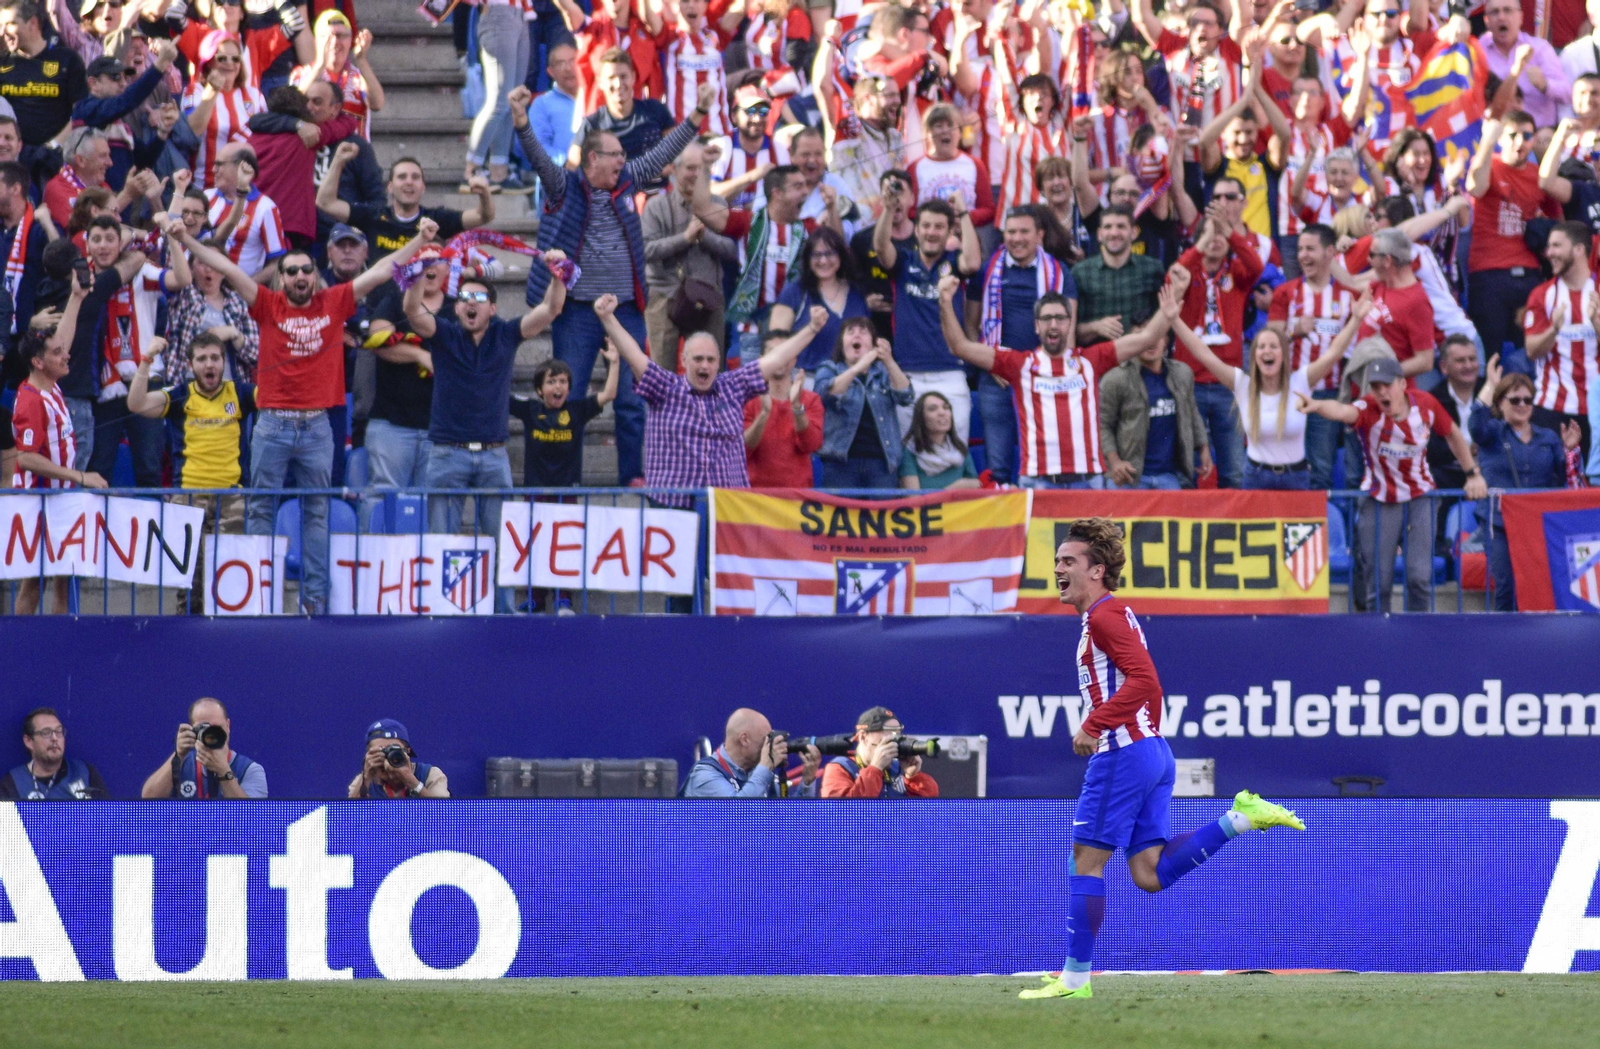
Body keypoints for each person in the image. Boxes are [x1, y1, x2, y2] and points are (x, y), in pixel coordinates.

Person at [1019, 518, 1303, 1002]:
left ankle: (1074, 979)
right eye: (1058, 560)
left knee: (1085, 864)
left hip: (1124, 755)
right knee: (1149, 874)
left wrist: (1096, 724)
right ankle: (1241, 818)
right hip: (1151, 751)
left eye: (1069, 561)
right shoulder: (1114, 614)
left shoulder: (1105, 618)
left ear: (1098, 570)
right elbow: (1147, 689)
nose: (1058, 568)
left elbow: (1145, 682)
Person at [177, 220, 434, 615]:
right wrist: (184, 239)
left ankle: (314, 603)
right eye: (291, 270)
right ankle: (260, 599)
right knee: (261, 508)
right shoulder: (266, 303)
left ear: (316, 275)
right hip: (273, 425)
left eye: (306, 270)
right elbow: (227, 268)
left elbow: (383, 270)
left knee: (318, 513)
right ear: (281, 279)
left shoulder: (335, 301)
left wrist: (421, 239)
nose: (299, 275)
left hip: (317, 427)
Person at [514, 79, 714, 486]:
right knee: (567, 398)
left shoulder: (627, 182)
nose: (625, 160)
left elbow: (664, 152)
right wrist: (521, 123)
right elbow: (536, 157)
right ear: (591, 159)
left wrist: (696, 117)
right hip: (577, 313)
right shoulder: (563, 186)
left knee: (632, 401)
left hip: (625, 311)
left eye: (625, 155)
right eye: (616, 154)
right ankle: (563, 479)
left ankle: (633, 476)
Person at [942, 273, 1171, 488]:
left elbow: (1148, 337)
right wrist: (945, 301)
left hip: (1087, 483)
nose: (1053, 324)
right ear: (1036, 325)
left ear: (1070, 324)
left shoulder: (1092, 360)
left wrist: (1171, 305)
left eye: (1060, 318)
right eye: (1047, 318)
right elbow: (959, 347)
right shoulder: (1019, 364)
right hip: (1039, 482)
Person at [1298, 357, 1489, 613]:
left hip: (1421, 496)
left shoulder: (1426, 405)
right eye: (1376, 387)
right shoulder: (1367, 408)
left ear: (1402, 384)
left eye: (1387, 385)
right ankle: (1379, 641)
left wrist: (1472, 473)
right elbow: (1343, 411)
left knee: (1419, 577)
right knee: (1379, 582)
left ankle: (1419, 637)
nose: (1381, 392)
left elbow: (1452, 433)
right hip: (1379, 498)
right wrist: (1317, 405)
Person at [402, 259, 569, 542]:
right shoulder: (444, 334)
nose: (471, 303)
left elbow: (551, 309)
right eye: (465, 297)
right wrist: (419, 272)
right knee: (440, 545)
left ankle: (501, 591)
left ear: (492, 308)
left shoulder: (505, 334)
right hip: (447, 453)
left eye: (479, 298)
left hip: (493, 455)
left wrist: (558, 276)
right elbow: (411, 310)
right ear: (456, 307)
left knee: (502, 549)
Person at [595, 293, 822, 499]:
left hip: (726, 508)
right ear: (684, 361)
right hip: (672, 508)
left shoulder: (733, 386)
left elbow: (777, 358)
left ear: (718, 363)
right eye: (698, 359)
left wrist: (812, 328)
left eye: (711, 360)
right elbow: (633, 354)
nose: (705, 365)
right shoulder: (664, 387)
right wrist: (607, 318)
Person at [1163, 277, 1347, 490]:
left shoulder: (1301, 381)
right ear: (1254, 355)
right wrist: (1174, 320)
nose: (1267, 351)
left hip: (1296, 478)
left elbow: (1334, 353)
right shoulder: (1243, 384)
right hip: (1256, 478)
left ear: (1284, 355)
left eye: (1273, 346)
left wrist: (1358, 318)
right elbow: (1205, 355)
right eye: (1261, 347)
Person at [127, 331, 251, 613]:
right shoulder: (180, 394)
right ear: (191, 365)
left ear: (223, 362)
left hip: (231, 501)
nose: (209, 365)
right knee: (189, 590)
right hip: (187, 501)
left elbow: (276, 396)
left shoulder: (240, 393)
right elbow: (135, 405)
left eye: (215, 358)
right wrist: (146, 361)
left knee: (228, 588)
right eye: (202, 359)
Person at [966, 206, 1074, 484]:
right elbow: (970, 325)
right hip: (996, 377)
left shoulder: (1060, 272)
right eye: (1011, 232)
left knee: (1046, 464)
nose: (1017, 238)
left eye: (1024, 231)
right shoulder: (987, 269)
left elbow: (1067, 332)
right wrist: (990, 362)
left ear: (1039, 235)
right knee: (998, 467)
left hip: (1043, 378)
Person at [1470, 356, 1587, 611]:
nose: (1522, 405)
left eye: (1527, 400)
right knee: (1506, 585)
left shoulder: (1548, 437)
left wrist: (1569, 451)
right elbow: (1475, 425)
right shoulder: (1492, 433)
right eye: (1514, 400)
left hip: (1537, 523)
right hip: (1499, 523)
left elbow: (1564, 478)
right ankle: (1502, 642)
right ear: (1500, 404)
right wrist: (1490, 385)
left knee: (1538, 585)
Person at [86, 214, 191, 490]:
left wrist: (170, 234)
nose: (104, 246)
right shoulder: (83, 280)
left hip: (146, 381)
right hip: (105, 385)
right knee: (99, 468)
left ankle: (152, 530)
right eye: (96, 239)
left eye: (111, 239)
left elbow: (182, 278)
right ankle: (95, 531)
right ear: (87, 245)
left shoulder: (142, 272)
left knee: (149, 467)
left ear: (121, 243)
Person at [874, 186, 981, 442]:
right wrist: (888, 209)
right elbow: (880, 247)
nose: (932, 232)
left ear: (948, 231)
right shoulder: (903, 261)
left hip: (951, 372)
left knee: (956, 452)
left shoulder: (955, 262)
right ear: (917, 229)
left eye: (939, 227)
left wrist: (964, 213)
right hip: (907, 373)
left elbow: (974, 262)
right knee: (908, 455)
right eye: (926, 226)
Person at [1171, 213, 1263, 487]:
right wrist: (1200, 244)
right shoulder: (1186, 275)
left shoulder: (1237, 273)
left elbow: (1256, 266)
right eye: (1209, 235)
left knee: (1234, 470)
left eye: (1220, 235)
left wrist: (1232, 233)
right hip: (1190, 384)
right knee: (1188, 469)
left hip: (1228, 386)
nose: (1215, 240)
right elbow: (1174, 275)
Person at [1267, 223, 1356, 489]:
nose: (1303, 255)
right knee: (1281, 467)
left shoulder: (1348, 297)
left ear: (1330, 252)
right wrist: (1294, 331)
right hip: (1288, 393)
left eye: (1310, 249)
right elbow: (1270, 343)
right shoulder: (1286, 292)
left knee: (1321, 471)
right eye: (1300, 249)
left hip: (1327, 395)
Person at [1466, 112, 1556, 374]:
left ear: (1534, 139)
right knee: (1490, 355)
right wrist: (1486, 140)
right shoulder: (1488, 163)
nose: (1520, 142)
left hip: (1529, 276)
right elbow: (1475, 188)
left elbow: (1557, 220)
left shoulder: (1538, 175)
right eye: (1513, 135)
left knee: (1532, 356)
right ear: (1501, 138)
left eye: (1527, 136)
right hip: (1489, 275)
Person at [642, 142, 737, 362]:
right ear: (675, 170)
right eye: (690, 168)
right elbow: (646, 250)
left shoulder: (718, 204)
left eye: (702, 169)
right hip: (664, 294)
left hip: (707, 296)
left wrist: (705, 237)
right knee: (662, 374)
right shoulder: (655, 206)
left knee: (710, 371)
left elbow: (732, 251)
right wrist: (684, 239)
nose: (696, 175)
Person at [319, 148, 492, 256]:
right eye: (402, 177)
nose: (409, 182)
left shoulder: (435, 219)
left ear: (423, 187)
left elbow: (482, 216)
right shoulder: (373, 216)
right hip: (379, 310)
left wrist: (484, 194)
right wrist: (338, 162)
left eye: (415, 177)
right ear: (390, 187)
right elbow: (325, 203)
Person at [1098, 323, 1208, 491]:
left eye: (1156, 334)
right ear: (1130, 341)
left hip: (1170, 476)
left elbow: (1192, 413)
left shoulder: (1182, 373)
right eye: (1142, 336)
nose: (1150, 342)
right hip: (1129, 477)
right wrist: (1115, 463)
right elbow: (1102, 425)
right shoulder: (1115, 379)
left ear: (1166, 340)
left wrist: (1204, 449)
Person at [1523, 221, 1598, 465]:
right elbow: (1532, 350)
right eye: (1548, 246)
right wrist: (1553, 329)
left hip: (1596, 411)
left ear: (1578, 249)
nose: (1549, 253)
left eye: (1556, 245)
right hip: (1552, 411)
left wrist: (1597, 325)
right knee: (1554, 488)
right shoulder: (1542, 295)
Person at [813, 320, 913, 488]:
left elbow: (906, 396)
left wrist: (888, 360)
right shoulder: (829, 368)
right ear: (842, 343)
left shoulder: (884, 372)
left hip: (882, 463)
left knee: (879, 514)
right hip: (839, 463)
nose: (857, 334)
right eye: (850, 331)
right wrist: (857, 368)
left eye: (864, 332)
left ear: (873, 344)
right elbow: (824, 395)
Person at [510, 349, 620, 489]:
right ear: (539, 390)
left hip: (568, 492)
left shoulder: (578, 410)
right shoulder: (530, 409)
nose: (558, 386)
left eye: (563, 381)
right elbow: (501, 397)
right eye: (551, 382)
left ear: (569, 389)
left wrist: (614, 362)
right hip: (535, 491)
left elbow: (609, 394)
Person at [571, 49, 678, 192]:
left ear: (633, 77)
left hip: (659, 195)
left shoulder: (655, 110)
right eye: (611, 78)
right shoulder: (592, 124)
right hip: (614, 201)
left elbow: (680, 151)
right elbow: (571, 168)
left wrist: (673, 164)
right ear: (600, 82)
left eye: (623, 76)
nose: (618, 83)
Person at [769, 225, 872, 372]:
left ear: (841, 256)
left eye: (829, 254)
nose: (823, 261)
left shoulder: (857, 292)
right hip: (807, 380)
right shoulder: (794, 291)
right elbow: (774, 344)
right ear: (807, 258)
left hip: (851, 381)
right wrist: (811, 328)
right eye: (816, 255)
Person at [181, 29, 267, 191]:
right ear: (208, 62)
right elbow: (192, 132)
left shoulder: (254, 96)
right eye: (222, 58)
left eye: (235, 59)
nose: (230, 63)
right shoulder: (195, 91)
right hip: (204, 188)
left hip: (244, 188)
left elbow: (265, 141)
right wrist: (213, 90)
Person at [1074, 205, 1168, 347]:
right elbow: (1071, 329)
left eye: (1121, 226)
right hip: (1097, 359)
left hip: (1140, 356)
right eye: (1107, 227)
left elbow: (1165, 320)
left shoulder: (1153, 269)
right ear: (1099, 234)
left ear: (1134, 233)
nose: (1114, 233)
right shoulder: (1080, 273)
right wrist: (1096, 327)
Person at [463, 0, 532, 192]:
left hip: (520, 13)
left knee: (513, 101)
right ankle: (470, 170)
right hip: (497, 13)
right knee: (499, 102)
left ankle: (498, 171)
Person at [140, 697, 267, 800]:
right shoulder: (182, 765)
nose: (211, 734)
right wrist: (178, 755)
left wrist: (223, 770)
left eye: (217, 728)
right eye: (204, 728)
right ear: (191, 729)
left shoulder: (249, 769)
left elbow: (251, 816)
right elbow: (148, 800)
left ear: (228, 726)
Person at [0, 0, 88, 146]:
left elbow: (80, 112)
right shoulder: (2, 62)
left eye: (10, 24)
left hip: (55, 157)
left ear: (32, 23)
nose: (3, 32)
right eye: (0, 26)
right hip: (11, 157)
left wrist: (53, 146)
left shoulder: (67, 60)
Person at [743, 329, 823, 488]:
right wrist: (764, 414)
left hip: (797, 499)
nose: (778, 359)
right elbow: (740, 451)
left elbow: (812, 445)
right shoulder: (747, 399)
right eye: (772, 353)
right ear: (761, 360)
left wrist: (797, 407)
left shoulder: (811, 399)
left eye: (784, 353)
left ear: (794, 359)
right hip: (755, 498)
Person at [681, 707, 821, 798]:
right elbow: (739, 815)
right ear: (744, 739)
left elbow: (791, 820)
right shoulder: (704, 775)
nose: (769, 746)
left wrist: (808, 778)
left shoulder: (759, 775)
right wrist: (766, 766)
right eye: (765, 740)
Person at [1480, 0, 1571, 130]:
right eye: (1495, 12)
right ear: (1486, 20)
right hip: (1495, 133)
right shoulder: (1477, 51)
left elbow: (1567, 94)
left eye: (1507, 10)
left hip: (1539, 133)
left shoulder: (1540, 48)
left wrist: (1544, 85)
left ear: (1520, 17)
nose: (1501, 17)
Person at [818, 706, 938, 799]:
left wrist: (913, 777)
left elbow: (926, 811)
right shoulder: (839, 768)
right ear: (864, 737)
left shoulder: (897, 769)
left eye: (896, 734)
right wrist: (875, 768)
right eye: (887, 734)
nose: (893, 740)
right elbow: (843, 814)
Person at [1, 708, 105, 800]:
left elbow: (107, 818)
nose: (55, 738)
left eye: (58, 731)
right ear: (28, 741)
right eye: (46, 733)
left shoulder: (85, 773)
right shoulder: (13, 782)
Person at [348, 718, 450, 799]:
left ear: (408, 751)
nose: (387, 757)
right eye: (380, 751)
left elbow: (445, 815)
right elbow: (347, 819)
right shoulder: (363, 781)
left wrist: (410, 780)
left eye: (393, 750)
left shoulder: (430, 774)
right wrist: (365, 780)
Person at [899, 390, 979, 490]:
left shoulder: (959, 447)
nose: (942, 413)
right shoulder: (910, 451)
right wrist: (952, 489)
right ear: (921, 417)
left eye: (946, 408)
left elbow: (976, 486)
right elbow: (913, 501)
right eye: (933, 409)